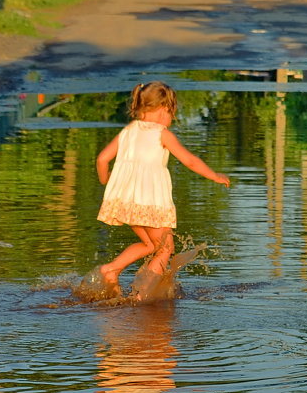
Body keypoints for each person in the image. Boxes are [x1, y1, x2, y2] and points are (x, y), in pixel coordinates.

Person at [95, 81, 230, 294]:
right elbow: (191, 161)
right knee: (166, 249)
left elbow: (102, 159)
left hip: (123, 202)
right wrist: (215, 175)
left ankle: (111, 270)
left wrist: (107, 181)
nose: (170, 119)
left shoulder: (128, 131)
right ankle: (142, 297)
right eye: (171, 113)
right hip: (149, 203)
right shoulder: (162, 134)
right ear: (163, 109)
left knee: (150, 246)